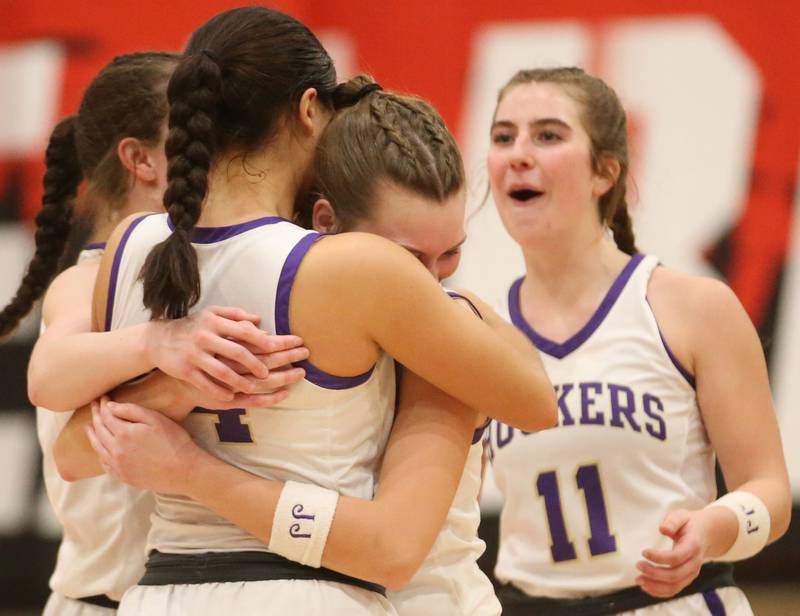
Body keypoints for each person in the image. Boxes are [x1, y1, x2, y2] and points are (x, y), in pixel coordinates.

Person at [57, 7, 555, 616]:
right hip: (307, 588)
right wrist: (464, 310)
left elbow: (76, 449)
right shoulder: (352, 268)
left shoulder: (130, 246)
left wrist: (172, 386)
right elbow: (535, 401)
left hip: (160, 592)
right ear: (309, 108)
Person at [5, 51, 307, 615]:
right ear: (141, 160)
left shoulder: (223, 270)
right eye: (195, 130)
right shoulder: (89, 279)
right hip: (101, 601)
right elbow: (46, 375)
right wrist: (156, 344)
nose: (218, 149)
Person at [482, 67, 791, 615]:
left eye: (548, 135)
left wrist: (714, 528)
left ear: (605, 172)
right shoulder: (475, 329)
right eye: (504, 136)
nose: (518, 154)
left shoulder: (692, 307)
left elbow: (768, 489)